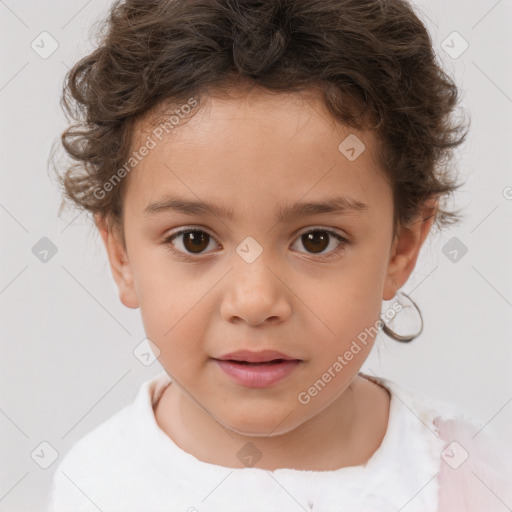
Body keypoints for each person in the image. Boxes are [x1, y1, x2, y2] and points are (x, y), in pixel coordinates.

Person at [47, 0, 511, 510]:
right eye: (194, 240)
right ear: (122, 255)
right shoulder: (96, 488)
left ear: (403, 247)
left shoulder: (466, 477)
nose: (254, 301)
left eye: (317, 240)